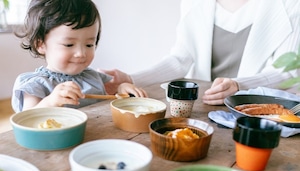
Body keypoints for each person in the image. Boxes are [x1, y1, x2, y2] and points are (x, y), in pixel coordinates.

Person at [102, 0, 300, 105]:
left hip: (259, 113)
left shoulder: (290, 4)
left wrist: (240, 86)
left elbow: (287, 72)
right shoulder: (193, 2)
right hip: (203, 108)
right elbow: (181, 59)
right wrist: (131, 78)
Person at [12, 0, 147, 113]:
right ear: (40, 44)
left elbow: (112, 95)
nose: (81, 53)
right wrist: (50, 102)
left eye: (89, 44)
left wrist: (122, 88)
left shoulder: (93, 77)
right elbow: (27, 119)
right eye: (69, 44)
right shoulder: (35, 85)